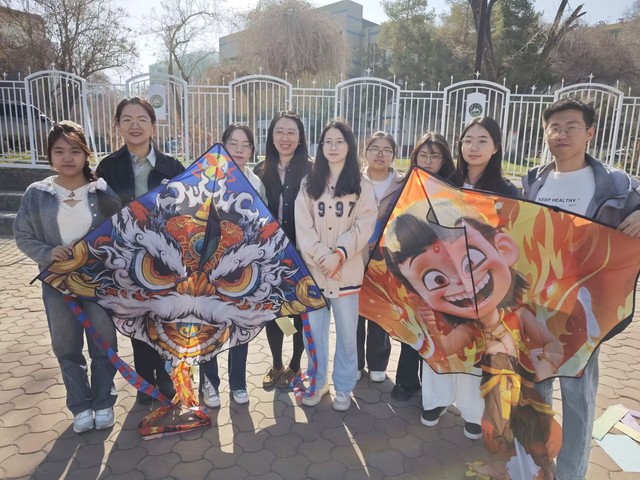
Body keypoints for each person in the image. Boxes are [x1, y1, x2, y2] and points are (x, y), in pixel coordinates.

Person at [385, 201, 561, 479]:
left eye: (470, 262)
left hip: (525, 395)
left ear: (504, 250)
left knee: (537, 442)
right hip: (493, 402)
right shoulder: (470, 329)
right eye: (437, 279)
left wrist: (543, 366)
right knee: (499, 438)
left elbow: (553, 344)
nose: (461, 282)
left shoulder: (520, 316)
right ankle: (504, 467)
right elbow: (445, 349)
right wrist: (431, 329)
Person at [523, 97, 640, 480]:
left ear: (590, 132)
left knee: (577, 400)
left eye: (571, 126)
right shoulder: (534, 181)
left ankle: (571, 474)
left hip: (585, 312)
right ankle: (540, 467)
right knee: (537, 392)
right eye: (554, 128)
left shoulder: (617, 185)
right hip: (536, 306)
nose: (561, 134)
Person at [14, 121, 121, 433]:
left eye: (74, 150)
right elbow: (23, 235)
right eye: (59, 151)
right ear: (50, 156)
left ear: (86, 154)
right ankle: (79, 405)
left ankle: (103, 401)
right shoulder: (37, 194)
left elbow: (120, 232)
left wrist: (99, 254)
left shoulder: (101, 190)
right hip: (56, 283)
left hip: (97, 283)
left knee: (103, 342)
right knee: (66, 346)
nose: (67, 158)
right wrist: (49, 253)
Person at [419, 117, 520, 440]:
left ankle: (473, 412)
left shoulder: (507, 192)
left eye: (482, 140)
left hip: (482, 280)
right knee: (439, 336)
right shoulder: (446, 183)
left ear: (496, 147)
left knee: (476, 344)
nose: (473, 147)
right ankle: (435, 400)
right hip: (444, 278)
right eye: (467, 140)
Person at [96, 96, 184, 405]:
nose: (135, 125)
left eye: (142, 119)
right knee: (137, 321)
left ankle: (166, 377)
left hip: (164, 260)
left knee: (164, 319)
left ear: (153, 125)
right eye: (127, 119)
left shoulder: (172, 167)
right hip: (126, 260)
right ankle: (145, 381)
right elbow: (101, 215)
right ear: (118, 126)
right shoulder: (107, 168)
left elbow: (186, 213)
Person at [295, 119, 377, 411]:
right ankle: (317, 383)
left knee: (346, 335)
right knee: (314, 335)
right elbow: (303, 227)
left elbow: (364, 224)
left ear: (349, 146)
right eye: (327, 142)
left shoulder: (361, 186)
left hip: (346, 272)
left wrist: (339, 254)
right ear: (320, 146)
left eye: (339, 141)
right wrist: (322, 257)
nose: (333, 147)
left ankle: (344, 386)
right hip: (315, 273)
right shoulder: (309, 184)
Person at [200, 123, 266, 408]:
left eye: (245, 145)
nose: (239, 150)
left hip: (242, 266)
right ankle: (209, 382)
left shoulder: (256, 182)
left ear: (251, 150)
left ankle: (238, 382)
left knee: (240, 325)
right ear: (223, 145)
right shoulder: (206, 177)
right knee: (208, 325)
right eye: (233, 144)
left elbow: (263, 224)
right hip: (207, 265)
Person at [391, 132, 456, 402]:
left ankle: (434, 389)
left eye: (435, 155)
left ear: (445, 159)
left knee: (436, 325)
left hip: (443, 269)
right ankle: (406, 381)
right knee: (413, 322)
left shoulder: (453, 189)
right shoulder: (405, 186)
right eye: (423, 155)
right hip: (410, 265)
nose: (428, 160)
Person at [255, 111, 312, 390]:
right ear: (271, 136)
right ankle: (276, 364)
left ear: (300, 138)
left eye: (291, 132)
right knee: (273, 311)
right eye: (279, 131)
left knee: (301, 310)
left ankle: (295, 365)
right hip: (270, 256)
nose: (285, 137)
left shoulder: (313, 170)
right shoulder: (260, 170)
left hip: (303, 254)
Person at [356, 131, 404, 383]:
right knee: (354, 311)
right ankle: (354, 362)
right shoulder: (353, 180)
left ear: (393, 155)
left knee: (380, 308)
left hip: (387, 258)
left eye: (387, 150)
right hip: (355, 254)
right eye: (375, 148)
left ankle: (378, 362)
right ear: (366, 152)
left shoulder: (402, 183)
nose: (380, 154)